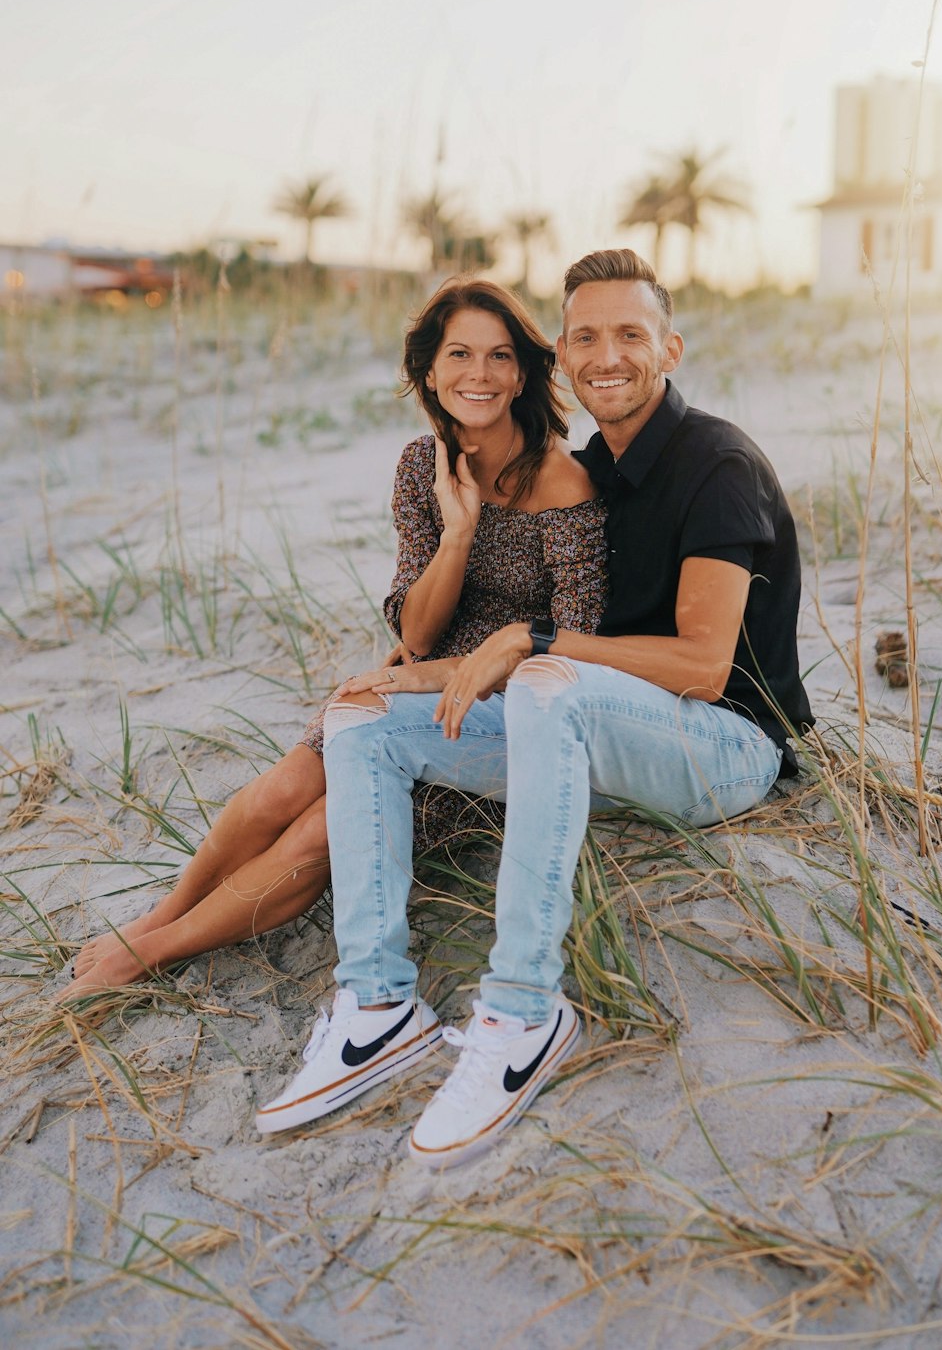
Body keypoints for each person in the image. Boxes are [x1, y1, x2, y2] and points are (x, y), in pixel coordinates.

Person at [256, 248, 814, 1167]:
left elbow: (705, 668)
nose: (608, 354)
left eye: (631, 334)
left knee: (546, 682)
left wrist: (529, 641)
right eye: (586, 335)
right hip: (607, 728)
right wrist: (428, 667)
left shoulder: (716, 463)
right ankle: (378, 1004)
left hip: (727, 748)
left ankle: (521, 1013)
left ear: (669, 347)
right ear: (560, 353)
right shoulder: (591, 468)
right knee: (361, 720)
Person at [61, 280, 607, 1001]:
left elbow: (573, 647)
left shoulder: (564, 480)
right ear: (430, 372)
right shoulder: (423, 464)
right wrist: (460, 531)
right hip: (414, 675)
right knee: (275, 794)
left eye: (500, 356)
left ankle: (152, 953)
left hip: (498, 705)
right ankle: (158, 915)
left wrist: (435, 673)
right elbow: (413, 629)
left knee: (319, 834)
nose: (480, 374)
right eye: (461, 354)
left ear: (522, 373)